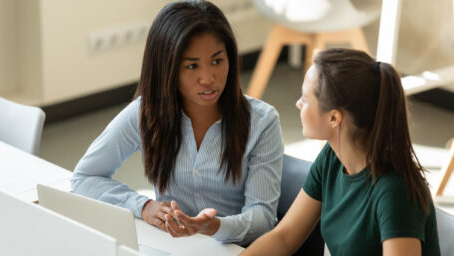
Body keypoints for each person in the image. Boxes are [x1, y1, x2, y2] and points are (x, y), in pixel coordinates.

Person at [70, 0, 283, 246]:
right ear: (167, 69)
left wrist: (214, 226)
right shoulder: (145, 113)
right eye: (192, 66)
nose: (208, 78)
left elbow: (263, 219)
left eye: (217, 61)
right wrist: (143, 206)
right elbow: (85, 177)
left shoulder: (262, 121)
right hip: (172, 248)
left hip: (235, 250)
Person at [241, 48, 440, 255]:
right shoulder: (332, 157)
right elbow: (284, 237)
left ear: (334, 118)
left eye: (305, 98)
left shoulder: (395, 191)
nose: (298, 104)